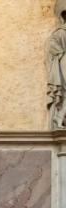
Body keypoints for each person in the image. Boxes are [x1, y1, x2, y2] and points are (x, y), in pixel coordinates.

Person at [47, 1, 66, 129]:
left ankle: (59, 118)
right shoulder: (60, 32)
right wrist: (61, 52)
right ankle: (59, 119)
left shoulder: (59, 33)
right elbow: (52, 46)